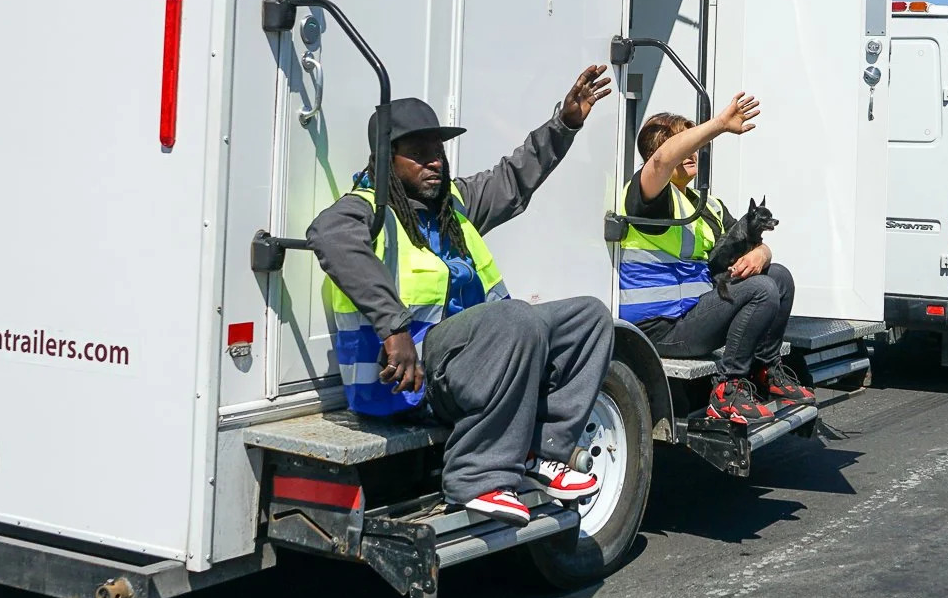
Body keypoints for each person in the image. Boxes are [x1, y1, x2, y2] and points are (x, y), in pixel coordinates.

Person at [305, 67, 615, 527]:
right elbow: (326, 235)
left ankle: (542, 451)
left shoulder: (455, 204)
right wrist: (395, 328)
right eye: (418, 154)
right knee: (516, 317)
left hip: (472, 363)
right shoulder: (367, 208)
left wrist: (564, 125)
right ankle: (477, 475)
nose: (434, 161)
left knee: (589, 318)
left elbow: (513, 179)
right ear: (386, 160)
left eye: (438, 151)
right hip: (409, 381)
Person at [620, 97, 816, 425]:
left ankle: (765, 372)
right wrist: (718, 126)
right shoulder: (648, 197)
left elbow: (750, 243)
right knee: (762, 290)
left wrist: (761, 253)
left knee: (779, 276)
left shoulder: (705, 204)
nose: (694, 150)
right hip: (658, 329)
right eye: (687, 142)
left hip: (693, 314)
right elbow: (658, 165)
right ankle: (727, 390)